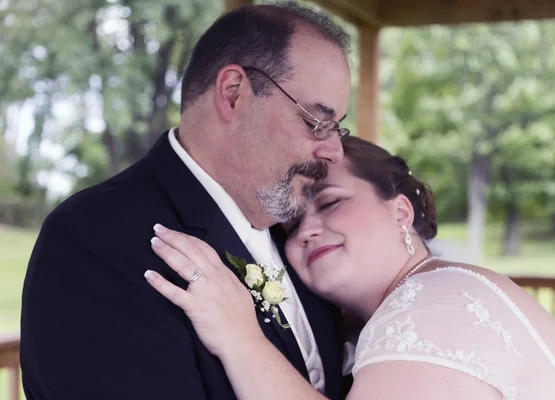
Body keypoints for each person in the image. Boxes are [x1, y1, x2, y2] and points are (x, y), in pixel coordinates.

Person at [20, 3, 352, 399]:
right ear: (233, 95)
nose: (335, 152)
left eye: (337, 129)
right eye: (317, 122)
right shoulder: (94, 242)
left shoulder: (301, 238)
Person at [145, 136, 555, 400]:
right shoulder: (422, 299)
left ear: (400, 211)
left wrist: (238, 338)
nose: (307, 231)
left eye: (331, 203)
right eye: (292, 225)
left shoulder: (435, 305)